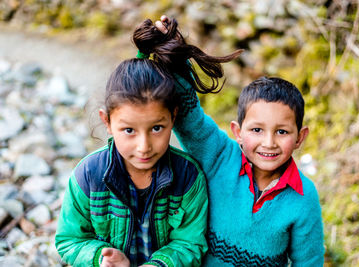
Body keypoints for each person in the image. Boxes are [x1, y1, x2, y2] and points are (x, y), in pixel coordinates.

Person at [54, 18, 231, 267]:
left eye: (157, 128)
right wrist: (98, 258)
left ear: (174, 117)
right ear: (107, 121)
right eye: (128, 130)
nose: (144, 146)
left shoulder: (189, 178)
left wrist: (160, 264)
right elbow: (69, 239)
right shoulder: (88, 175)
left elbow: (190, 244)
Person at [154, 16, 325, 266]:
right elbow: (192, 122)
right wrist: (173, 54)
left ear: (300, 137)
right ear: (238, 131)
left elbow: (308, 262)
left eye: (282, 132)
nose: (269, 143)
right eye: (256, 130)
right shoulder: (220, 157)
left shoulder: (303, 197)